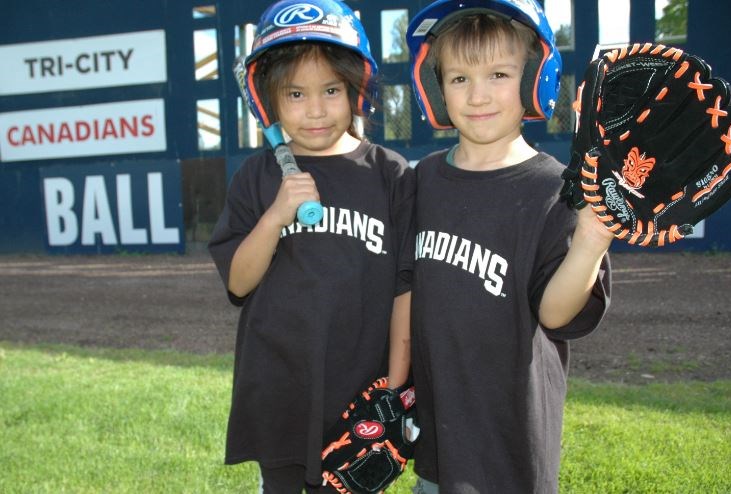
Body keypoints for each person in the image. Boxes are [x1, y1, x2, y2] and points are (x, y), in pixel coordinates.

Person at [404, 1, 614, 492]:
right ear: (434, 90)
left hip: (511, 450)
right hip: (438, 448)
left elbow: (558, 316)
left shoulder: (556, 190)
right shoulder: (423, 181)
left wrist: (591, 242)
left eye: (499, 73)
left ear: (534, 81)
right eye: (458, 79)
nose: (478, 95)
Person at [208, 0, 415, 492]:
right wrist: (277, 215)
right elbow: (238, 282)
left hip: (360, 389)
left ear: (355, 91)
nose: (316, 109)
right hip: (280, 386)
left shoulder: (390, 175)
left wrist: (395, 383)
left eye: (331, 90)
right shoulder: (258, 177)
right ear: (269, 101)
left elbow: (406, 286)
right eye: (295, 94)